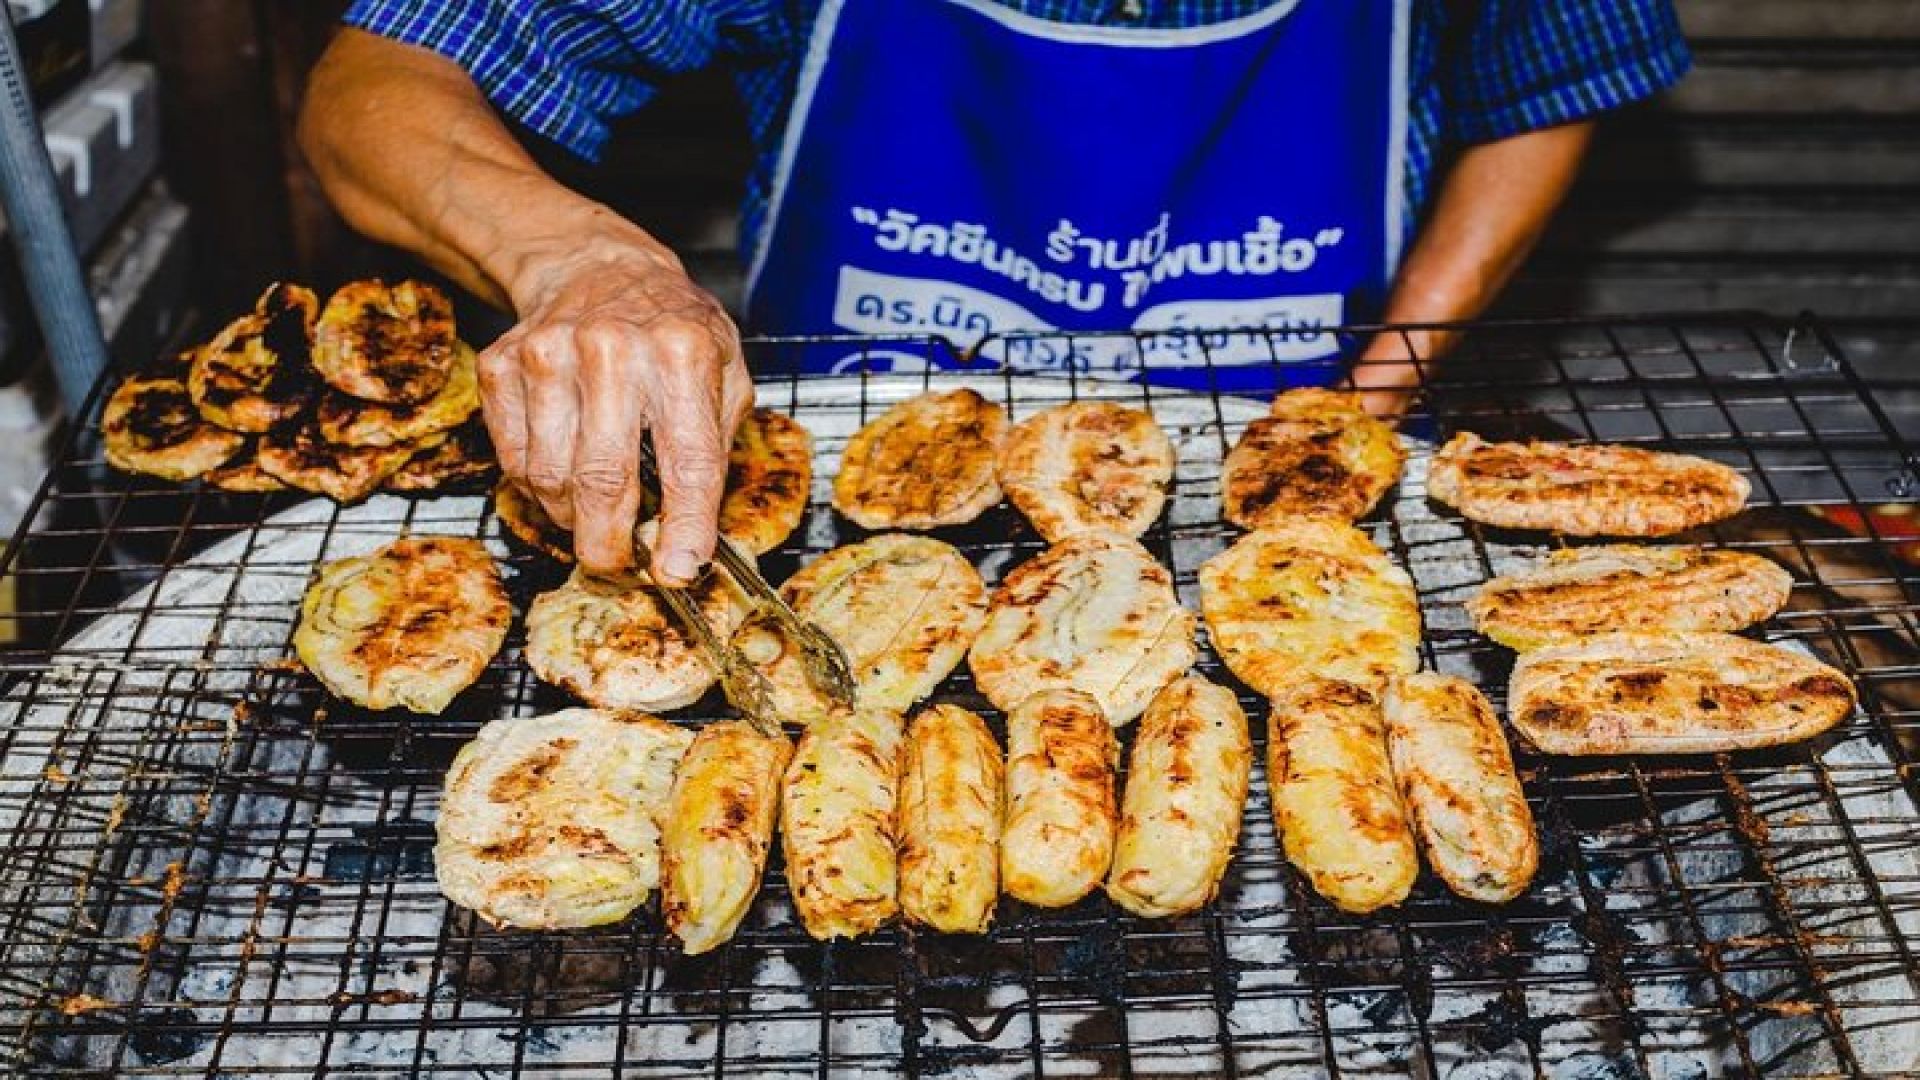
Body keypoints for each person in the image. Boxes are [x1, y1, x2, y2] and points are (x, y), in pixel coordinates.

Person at [299, 0, 1689, 582]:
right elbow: (376, 90)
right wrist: (583, 260)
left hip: (1265, 481)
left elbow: (1546, 72)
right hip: (847, 492)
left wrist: (1367, 406)